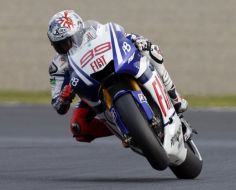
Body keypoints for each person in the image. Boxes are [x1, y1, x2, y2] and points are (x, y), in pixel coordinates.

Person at [47, 10, 189, 144]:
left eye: (67, 41)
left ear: (78, 31)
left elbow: (118, 35)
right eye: (59, 45)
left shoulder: (93, 32)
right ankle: (131, 130)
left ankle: (174, 96)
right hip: (89, 90)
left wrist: (135, 39)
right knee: (77, 126)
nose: (64, 48)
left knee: (150, 50)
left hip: (115, 67)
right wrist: (63, 98)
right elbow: (57, 105)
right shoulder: (58, 66)